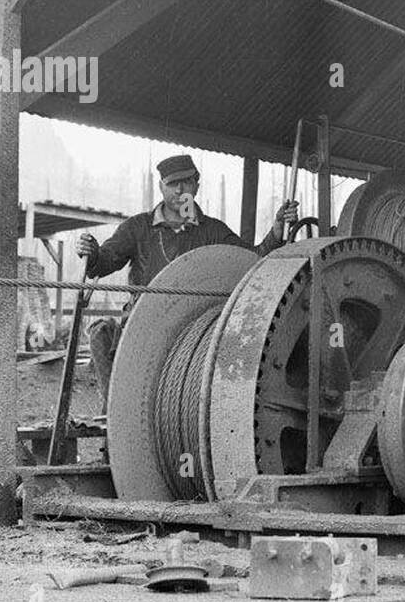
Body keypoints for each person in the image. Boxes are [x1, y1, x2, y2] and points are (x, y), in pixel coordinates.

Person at [76, 154, 298, 412]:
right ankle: (113, 421)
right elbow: (103, 264)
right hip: (142, 329)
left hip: (192, 339)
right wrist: (91, 253)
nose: (180, 190)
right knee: (103, 340)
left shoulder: (212, 231)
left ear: (197, 185)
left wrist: (277, 231)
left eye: (186, 182)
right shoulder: (137, 228)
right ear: (161, 187)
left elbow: (252, 260)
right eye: (172, 184)